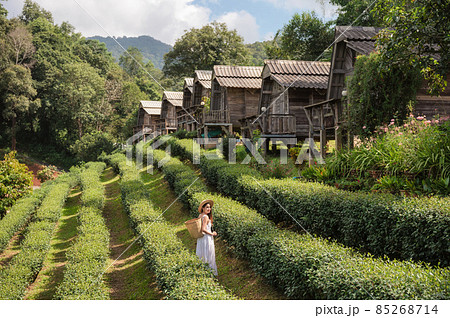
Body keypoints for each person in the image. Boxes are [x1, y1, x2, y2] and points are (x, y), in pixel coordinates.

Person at [196, 199, 218, 275]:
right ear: (203, 208)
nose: (209, 209)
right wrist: (212, 233)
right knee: (209, 254)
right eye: (207, 207)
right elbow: (203, 229)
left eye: (209, 207)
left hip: (201, 238)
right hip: (207, 238)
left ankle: (203, 271)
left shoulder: (200, 215)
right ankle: (210, 272)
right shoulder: (205, 217)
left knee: (203, 253)